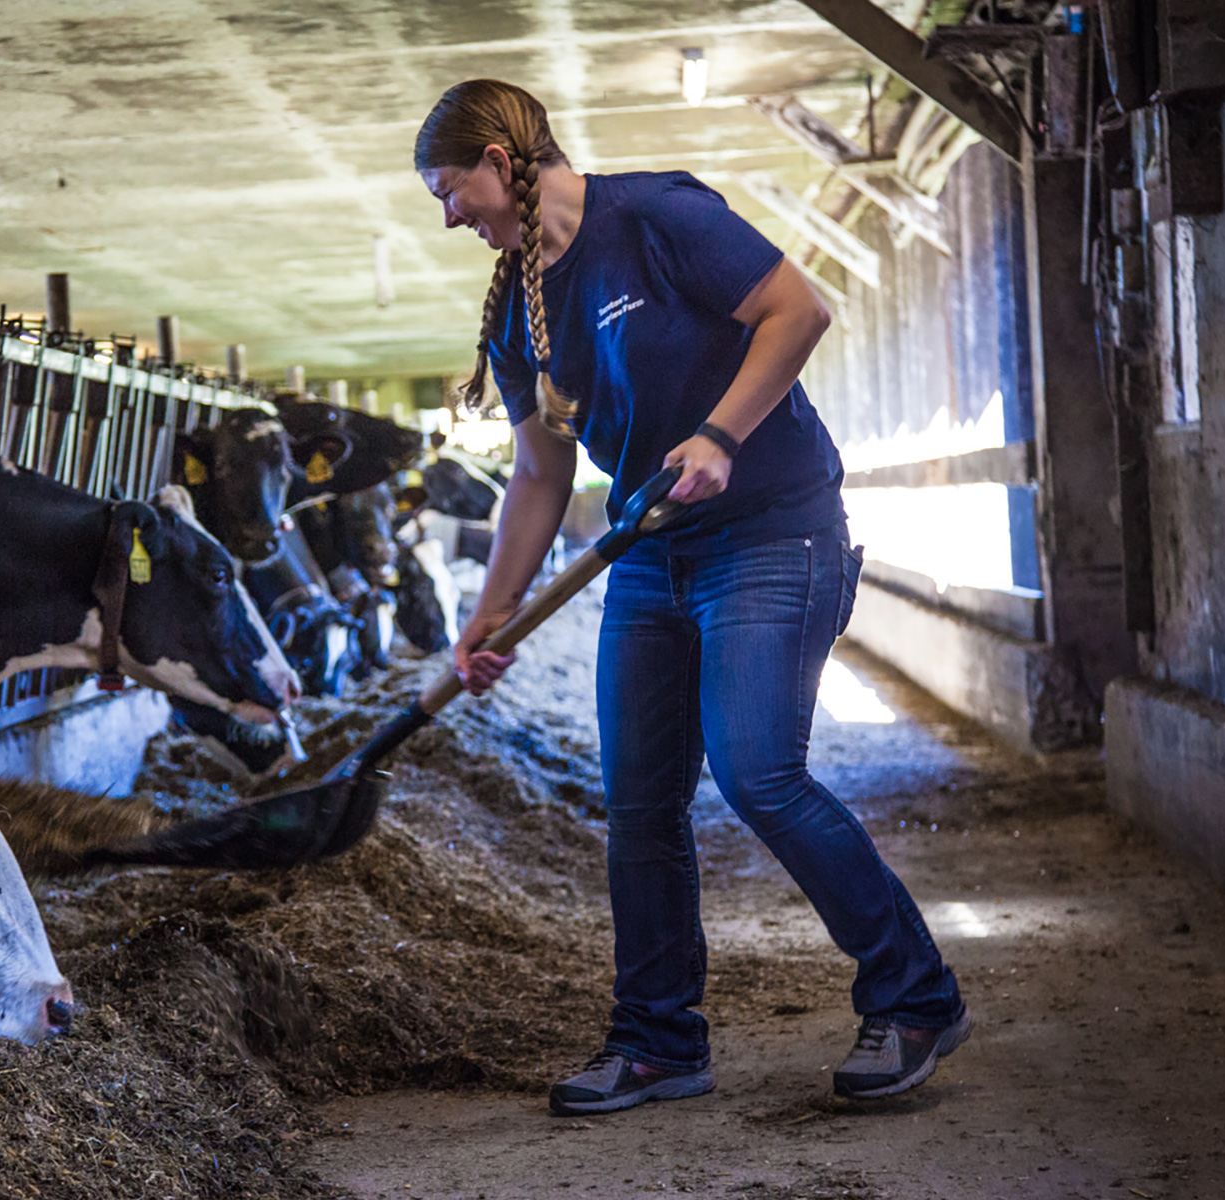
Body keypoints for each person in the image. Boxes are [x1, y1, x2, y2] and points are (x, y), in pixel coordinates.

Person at [415, 79, 970, 1116]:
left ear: (499, 157)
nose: (449, 217)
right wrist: (486, 611)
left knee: (759, 772)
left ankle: (914, 995)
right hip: (647, 553)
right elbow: (538, 478)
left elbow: (797, 309)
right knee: (638, 805)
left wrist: (718, 435)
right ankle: (658, 1042)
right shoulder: (515, 307)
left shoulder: (654, 218)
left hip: (771, 527)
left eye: (450, 191)